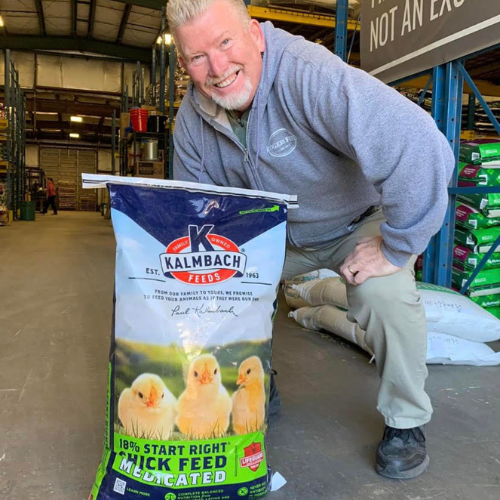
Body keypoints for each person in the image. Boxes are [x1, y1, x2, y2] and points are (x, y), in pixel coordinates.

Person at [167, 0, 455, 480]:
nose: (217, 69)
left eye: (225, 43)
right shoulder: (191, 124)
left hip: (354, 223)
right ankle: (256, 381)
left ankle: (406, 420)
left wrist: (396, 247)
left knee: (385, 296)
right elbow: (196, 217)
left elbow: (419, 143)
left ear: (255, 35)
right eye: (198, 57)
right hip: (269, 234)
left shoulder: (308, 74)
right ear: (183, 63)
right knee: (213, 291)